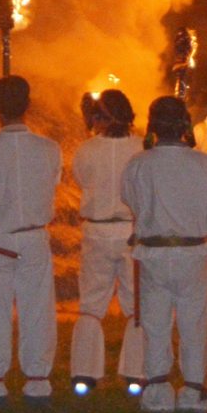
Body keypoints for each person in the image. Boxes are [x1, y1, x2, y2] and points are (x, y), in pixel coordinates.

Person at [123, 94, 207, 413]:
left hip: (154, 252)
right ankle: (193, 391)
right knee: (193, 322)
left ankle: (157, 390)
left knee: (155, 322)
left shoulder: (139, 163)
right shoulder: (204, 163)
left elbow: (131, 200)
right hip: (192, 251)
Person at [0, 75, 62, 403]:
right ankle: (37, 381)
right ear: (28, 105)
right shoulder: (50, 150)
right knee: (37, 310)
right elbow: (52, 186)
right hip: (33, 238)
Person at [67, 89, 144, 397]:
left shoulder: (86, 150)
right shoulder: (141, 149)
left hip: (98, 232)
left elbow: (82, 180)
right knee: (137, 304)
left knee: (90, 305)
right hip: (130, 231)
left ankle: (84, 373)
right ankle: (136, 373)